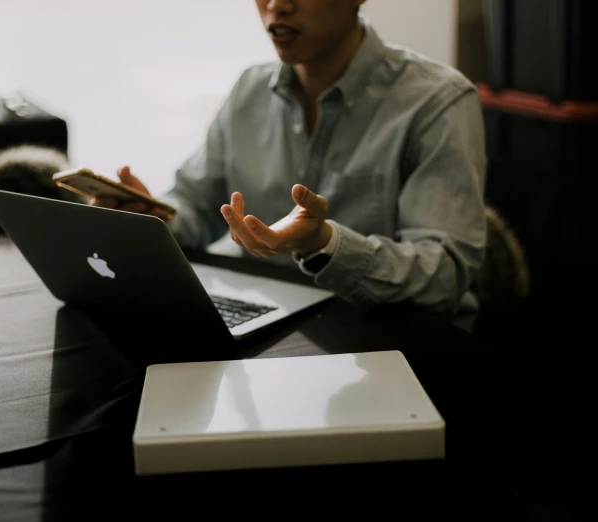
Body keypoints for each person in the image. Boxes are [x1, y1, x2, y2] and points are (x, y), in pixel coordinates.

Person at [93, 0, 488, 331]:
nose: (276, 6)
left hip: (393, 336)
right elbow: (196, 202)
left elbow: (445, 276)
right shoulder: (249, 89)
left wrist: (325, 243)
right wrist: (150, 216)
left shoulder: (437, 101)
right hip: (274, 322)